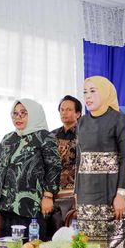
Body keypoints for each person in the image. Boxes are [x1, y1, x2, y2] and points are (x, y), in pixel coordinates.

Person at [0, 99, 61, 241]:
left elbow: (54, 167)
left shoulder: (44, 137)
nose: (18, 117)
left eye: (23, 113)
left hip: (32, 207)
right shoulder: (8, 138)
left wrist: (48, 196)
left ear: (33, 114)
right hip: (7, 206)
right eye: (15, 114)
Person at [75, 76, 125, 248]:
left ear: (106, 93)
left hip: (110, 193)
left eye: (93, 91)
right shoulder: (82, 122)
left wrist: (121, 194)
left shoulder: (118, 119)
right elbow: (79, 159)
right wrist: (77, 193)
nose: (88, 97)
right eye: (85, 92)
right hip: (86, 194)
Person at [48, 95, 82, 237]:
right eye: (62, 109)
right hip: (53, 191)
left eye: (68, 109)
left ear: (78, 113)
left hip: (75, 192)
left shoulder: (84, 135)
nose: (64, 112)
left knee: (71, 232)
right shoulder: (51, 135)